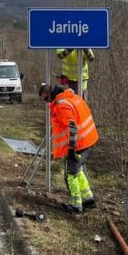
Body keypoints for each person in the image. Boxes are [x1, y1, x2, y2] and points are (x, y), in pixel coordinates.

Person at [39, 83, 99, 214]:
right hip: (86, 140)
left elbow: (72, 127)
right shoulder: (72, 97)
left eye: (46, 99)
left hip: (78, 144)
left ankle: (76, 206)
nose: (46, 102)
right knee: (78, 170)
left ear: (51, 94)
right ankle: (89, 200)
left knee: (70, 175)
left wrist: (71, 149)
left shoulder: (61, 106)